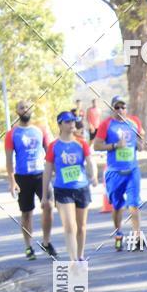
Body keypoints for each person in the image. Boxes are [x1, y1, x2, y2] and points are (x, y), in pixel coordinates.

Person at [42, 111, 98, 262]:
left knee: (81, 226)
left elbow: (90, 161)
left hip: (81, 188)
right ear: (60, 124)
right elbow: (47, 171)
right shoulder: (54, 146)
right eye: (67, 121)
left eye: (73, 120)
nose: (72, 123)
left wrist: (93, 175)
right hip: (62, 189)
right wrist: (43, 195)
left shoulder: (81, 143)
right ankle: (72, 259)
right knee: (69, 226)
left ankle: (79, 255)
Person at [4, 99, 57, 260]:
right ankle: (28, 246)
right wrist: (12, 181)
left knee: (48, 206)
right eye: (22, 107)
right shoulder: (12, 134)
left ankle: (46, 242)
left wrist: (56, 171)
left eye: (27, 107)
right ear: (17, 112)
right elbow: (8, 160)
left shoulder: (40, 130)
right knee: (26, 213)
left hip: (41, 174)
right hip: (22, 176)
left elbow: (49, 153)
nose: (25, 109)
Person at [93, 95, 145, 250]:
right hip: (115, 172)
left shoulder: (133, 123)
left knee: (134, 204)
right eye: (117, 107)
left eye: (123, 107)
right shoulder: (106, 125)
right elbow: (97, 146)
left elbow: (141, 140)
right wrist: (115, 145)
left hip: (132, 170)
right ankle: (118, 232)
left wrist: (140, 144)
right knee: (117, 206)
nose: (120, 110)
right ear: (112, 109)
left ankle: (137, 237)